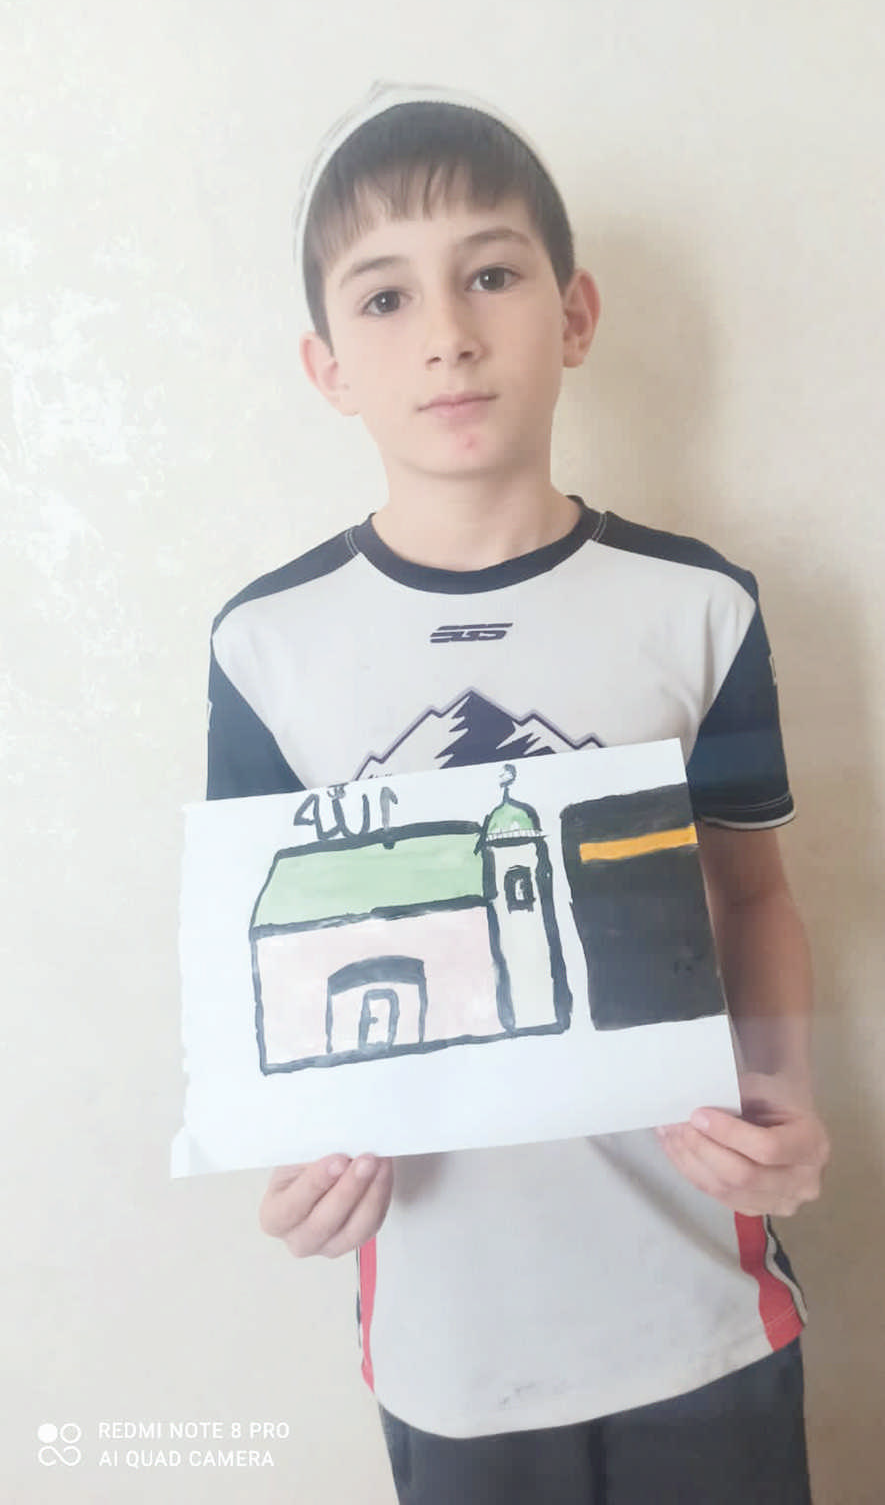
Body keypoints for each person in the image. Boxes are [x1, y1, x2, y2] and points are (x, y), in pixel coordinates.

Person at [206, 80, 830, 1503]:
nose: (447, 331)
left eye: (491, 273)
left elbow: (751, 893)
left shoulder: (700, 607)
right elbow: (268, 959)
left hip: (704, 1308)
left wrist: (786, 1096)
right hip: (449, 1348)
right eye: (385, 298)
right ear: (326, 367)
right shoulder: (263, 646)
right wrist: (293, 1154)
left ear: (575, 313)